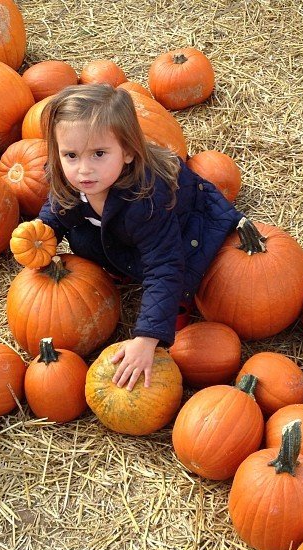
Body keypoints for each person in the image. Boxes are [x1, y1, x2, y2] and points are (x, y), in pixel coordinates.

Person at [35, 84, 244, 391]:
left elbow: (165, 267)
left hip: (185, 229)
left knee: (182, 268)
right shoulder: (72, 179)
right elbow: (58, 207)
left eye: (99, 154)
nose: (83, 169)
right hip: (124, 231)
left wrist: (146, 338)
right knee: (83, 238)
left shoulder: (146, 200)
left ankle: (178, 306)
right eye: (71, 155)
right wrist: (41, 232)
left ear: (129, 151)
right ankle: (122, 266)